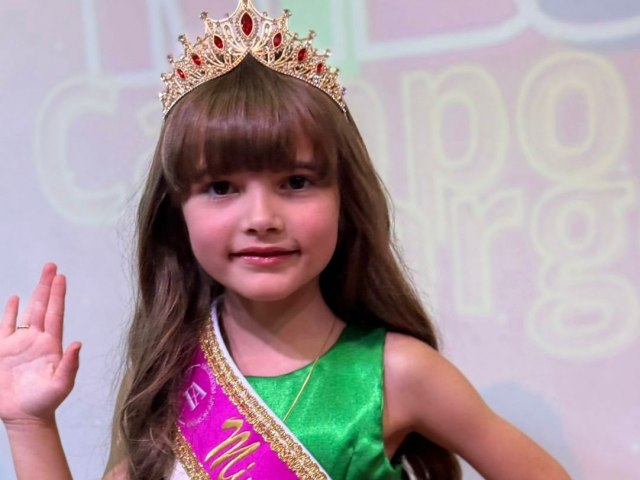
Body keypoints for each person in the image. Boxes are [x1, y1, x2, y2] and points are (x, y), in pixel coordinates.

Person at [0, 1, 571, 479]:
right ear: (177, 213)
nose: (262, 218)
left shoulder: (397, 373)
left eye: (296, 182)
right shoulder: (167, 371)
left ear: (345, 196)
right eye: (221, 187)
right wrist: (30, 423)